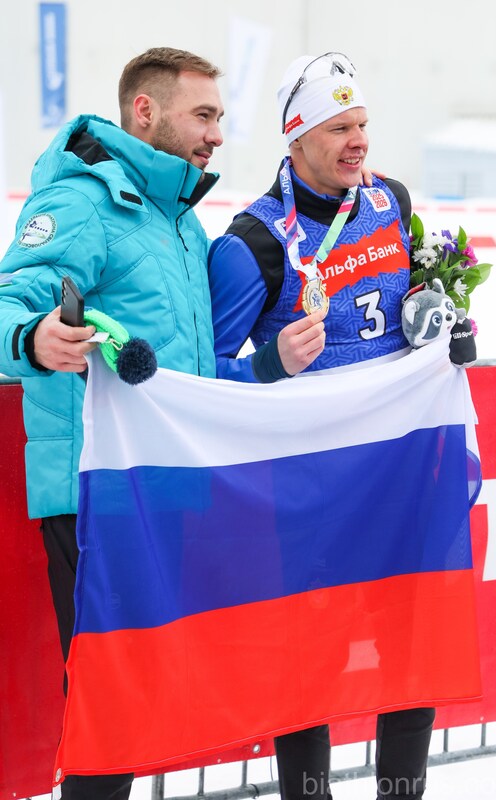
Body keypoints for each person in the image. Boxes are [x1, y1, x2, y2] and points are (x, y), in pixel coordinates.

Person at [208, 51, 471, 800]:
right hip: (308, 489)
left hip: (396, 472)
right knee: (309, 661)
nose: (358, 142)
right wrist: (269, 365)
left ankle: (400, 792)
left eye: (362, 124)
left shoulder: (389, 198)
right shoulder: (253, 244)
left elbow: (410, 297)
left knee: (408, 650)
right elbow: (201, 376)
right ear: (295, 138)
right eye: (338, 128)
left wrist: (442, 322)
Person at [0, 47, 224, 800]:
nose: (216, 134)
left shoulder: (181, 225)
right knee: (108, 701)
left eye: (219, 116)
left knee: (137, 703)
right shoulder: (80, 203)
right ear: (145, 111)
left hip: (164, 488)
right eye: (202, 115)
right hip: (95, 493)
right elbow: (8, 303)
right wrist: (33, 339)